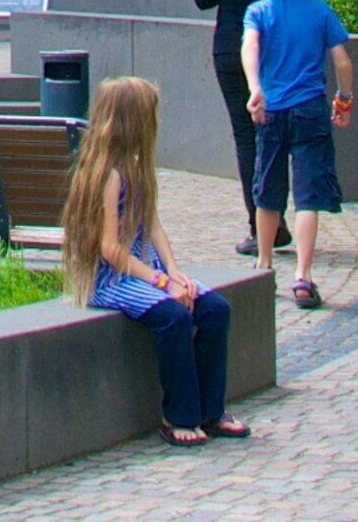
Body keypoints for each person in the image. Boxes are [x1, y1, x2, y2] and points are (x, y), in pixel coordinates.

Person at [62, 77, 249, 448]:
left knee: (213, 308)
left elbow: (154, 226)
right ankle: (178, 415)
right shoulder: (107, 175)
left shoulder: (134, 167)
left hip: (144, 269)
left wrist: (176, 273)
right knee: (174, 317)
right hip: (111, 279)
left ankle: (211, 409)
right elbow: (110, 249)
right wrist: (162, 284)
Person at [189, 0, 297, 254]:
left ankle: (261, 226)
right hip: (279, 45)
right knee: (279, 133)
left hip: (233, 43)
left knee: (245, 134)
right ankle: (277, 216)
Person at [241, 0, 355, 308]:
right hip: (310, 110)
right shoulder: (320, 10)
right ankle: (303, 276)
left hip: (271, 111)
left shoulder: (258, 11)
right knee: (308, 197)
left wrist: (255, 88)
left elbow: (250, 48)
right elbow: (342, 61)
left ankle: (263, 265)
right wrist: (344, 99)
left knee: (268, 190)